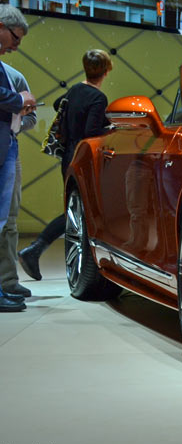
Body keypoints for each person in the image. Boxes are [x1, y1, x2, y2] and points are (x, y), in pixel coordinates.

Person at [18, 49, 113, 282]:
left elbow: (58, 103)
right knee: (80, 210)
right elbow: (91, 132)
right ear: (107, 70)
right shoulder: (98, 98)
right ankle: (35, 250)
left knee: (76, 208)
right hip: (83, 159)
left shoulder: (75, 90)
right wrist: (111, 129)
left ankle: (37, 251)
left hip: (67, 157)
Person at [0, 5, 37, 312]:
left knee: (8, 221)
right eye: (15, 38)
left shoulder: (14, 75)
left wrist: (16, 126)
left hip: (9, 146)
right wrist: (18, 104)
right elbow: (21, 104)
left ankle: (8, 281)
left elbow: (32, 116)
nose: (16, 46)